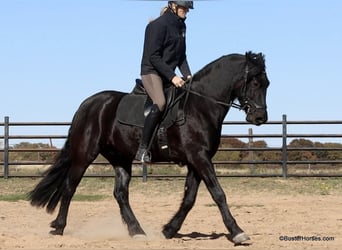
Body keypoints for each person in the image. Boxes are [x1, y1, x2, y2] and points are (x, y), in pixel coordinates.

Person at [135, 1, 194, 163]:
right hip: (151, 72)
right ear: (173, 6)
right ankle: (142, 149)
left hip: (168, 74)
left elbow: (181, 56)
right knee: (160, 103)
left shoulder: (181, 27)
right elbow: (153, 57)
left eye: (188, 9)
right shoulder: (157, 26)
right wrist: (173, 77)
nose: (187, 11)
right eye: (184, 8)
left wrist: (189, 76)